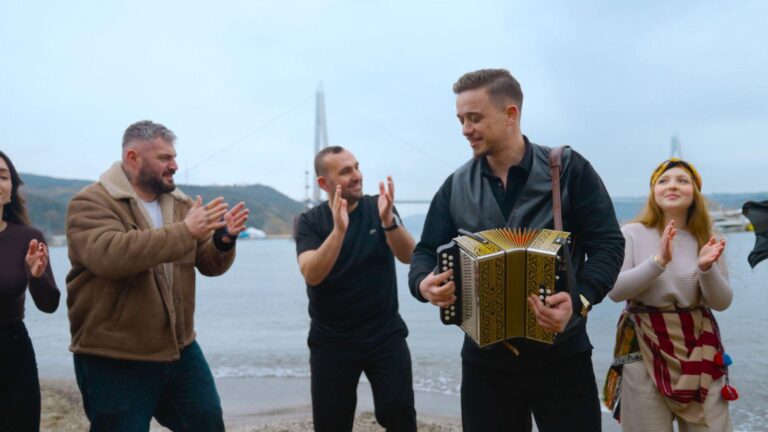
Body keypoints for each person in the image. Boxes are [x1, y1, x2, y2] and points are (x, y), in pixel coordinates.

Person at [407, 69, 625, 431]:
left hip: (562, 357)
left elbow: (608, 244)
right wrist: (423, 284)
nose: (465, 129)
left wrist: (580, 299)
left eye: (474, 118)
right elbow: (425, 252)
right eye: (460, 119)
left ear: (511, 114)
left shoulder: (569, 169)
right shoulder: (454, 186)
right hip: (484, 364)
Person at [65, 120, 249, 431]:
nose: (174, 165)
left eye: (174, 157)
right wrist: (185, 231)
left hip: (180, 348)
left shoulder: (180, 203)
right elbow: (110, 256)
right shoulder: (91, 201)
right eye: (164, 158)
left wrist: (223, 240)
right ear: (133, 158)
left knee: (207, 423)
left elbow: (208, 264)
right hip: (114, 355)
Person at [604, 158, 734, 431]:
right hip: (642, 341)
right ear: (653, 192)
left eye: (682, 181)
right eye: (663, 181)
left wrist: (706, 269)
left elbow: (722, 302)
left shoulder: (706, 237)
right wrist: (658, 262)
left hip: (699, 343)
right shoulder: (632, 233)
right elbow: (615, 291)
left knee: (711, 425)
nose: (672, 185)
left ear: (694, 193)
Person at [294, 146, 417, 432]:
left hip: (385, 335)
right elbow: (311, 273)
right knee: (332, 424)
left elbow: (409, 255)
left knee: (400, 415)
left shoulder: (379, 207)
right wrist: (338, 231)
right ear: (324, 183)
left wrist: (389, 223)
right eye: (345, 171)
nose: (357, 176)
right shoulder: (311, 222)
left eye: (357, 167)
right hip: (331, 341)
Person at [0, 150, 61, 432]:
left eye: (2, 176)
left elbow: (49, 304)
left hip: (12, 352)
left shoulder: (28, 237)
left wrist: (35, 276)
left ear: (10, 190)